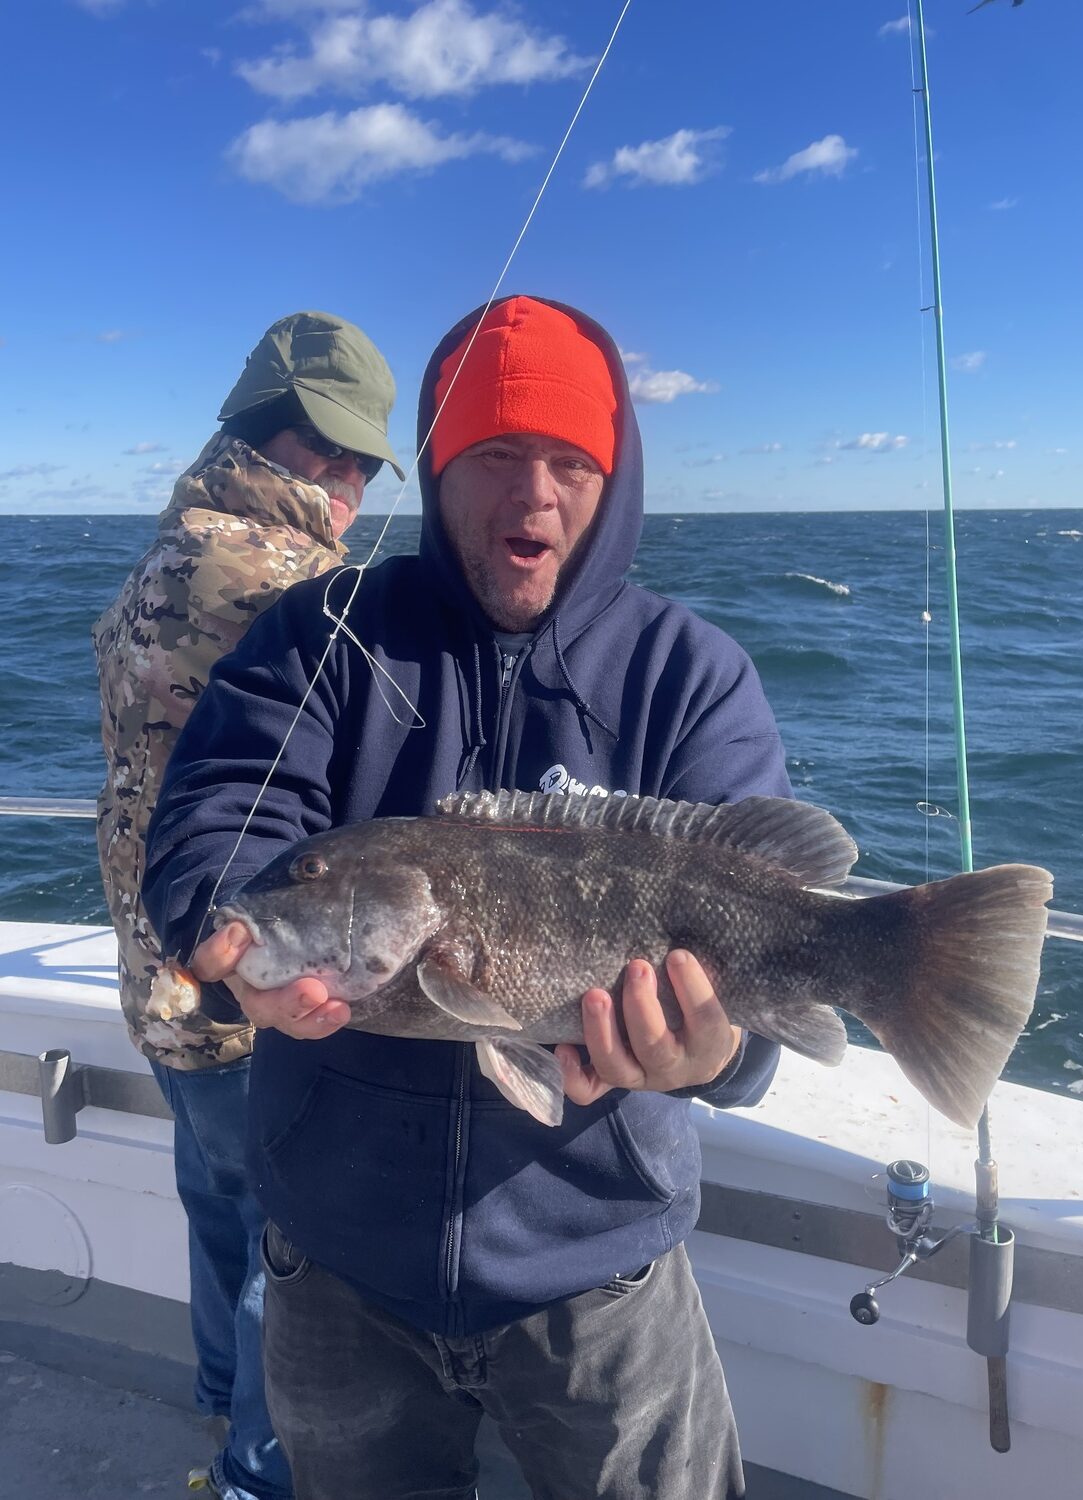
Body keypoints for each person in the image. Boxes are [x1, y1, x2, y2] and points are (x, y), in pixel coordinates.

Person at [143, 295, 791, 1500]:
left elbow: (764, 947)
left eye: (569, 462)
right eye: (494, 455)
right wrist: (235, 925)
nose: (531, 498)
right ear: (437, 470)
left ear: (614, 480)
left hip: (601, 1276)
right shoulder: (320, 634)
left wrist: (711, 1056)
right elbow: (220, 806)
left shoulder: (692, 678)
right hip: (333, 1265)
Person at [93, 310, 403, 1500]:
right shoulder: (304, 586)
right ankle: (258, 1477)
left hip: (158, 987)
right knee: (291, 1248)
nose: (356, 490)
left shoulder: (160, 557)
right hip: (251, 994)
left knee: (213, 1209)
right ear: (305, 454)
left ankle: (220, 1407)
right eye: (348, 462)